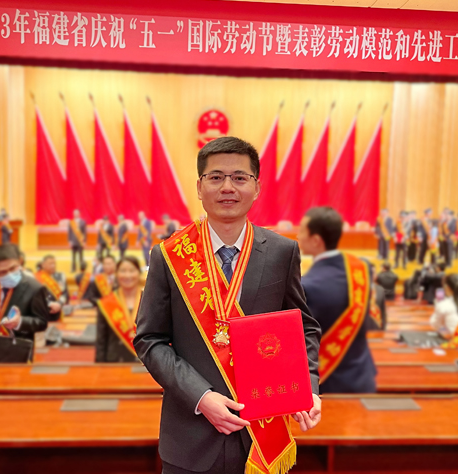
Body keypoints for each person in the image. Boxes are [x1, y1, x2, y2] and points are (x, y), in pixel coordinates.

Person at [134, 136, 321, 474]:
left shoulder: (282, 251)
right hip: (190, 437)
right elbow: (150, 340)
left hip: (263, 430)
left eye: (239, 177)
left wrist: (306, 389)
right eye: (216, 177)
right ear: (199, 186)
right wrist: (201, 397)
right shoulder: (169, 256)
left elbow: (303, 327)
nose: (227, 187)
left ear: (256, 187)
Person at [298, 206, 376, 393]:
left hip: (328, 385)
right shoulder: (362, 269)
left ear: (316, 240)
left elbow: (302, 342)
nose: (298, 237)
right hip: (363, 378)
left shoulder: (307, 286)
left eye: (301, 231)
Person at [96, 256, 142, 363]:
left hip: (144, 365)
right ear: (116, 274)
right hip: (114, 363)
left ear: (139, 273)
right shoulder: (106, 303)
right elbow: (101, 341)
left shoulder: (150, 301)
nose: (127, 275)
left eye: (132, 271)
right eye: (123, 271)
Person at [34, 254, 67, 319]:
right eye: (50, 264)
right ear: (43, 265)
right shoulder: (37, 277)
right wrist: (50, 304)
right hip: (43, 314)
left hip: (58, 313)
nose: (53, 266)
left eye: (54, 263)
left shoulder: (59, 277)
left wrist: (59, 304)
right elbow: (36, 297)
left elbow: (65, 294)